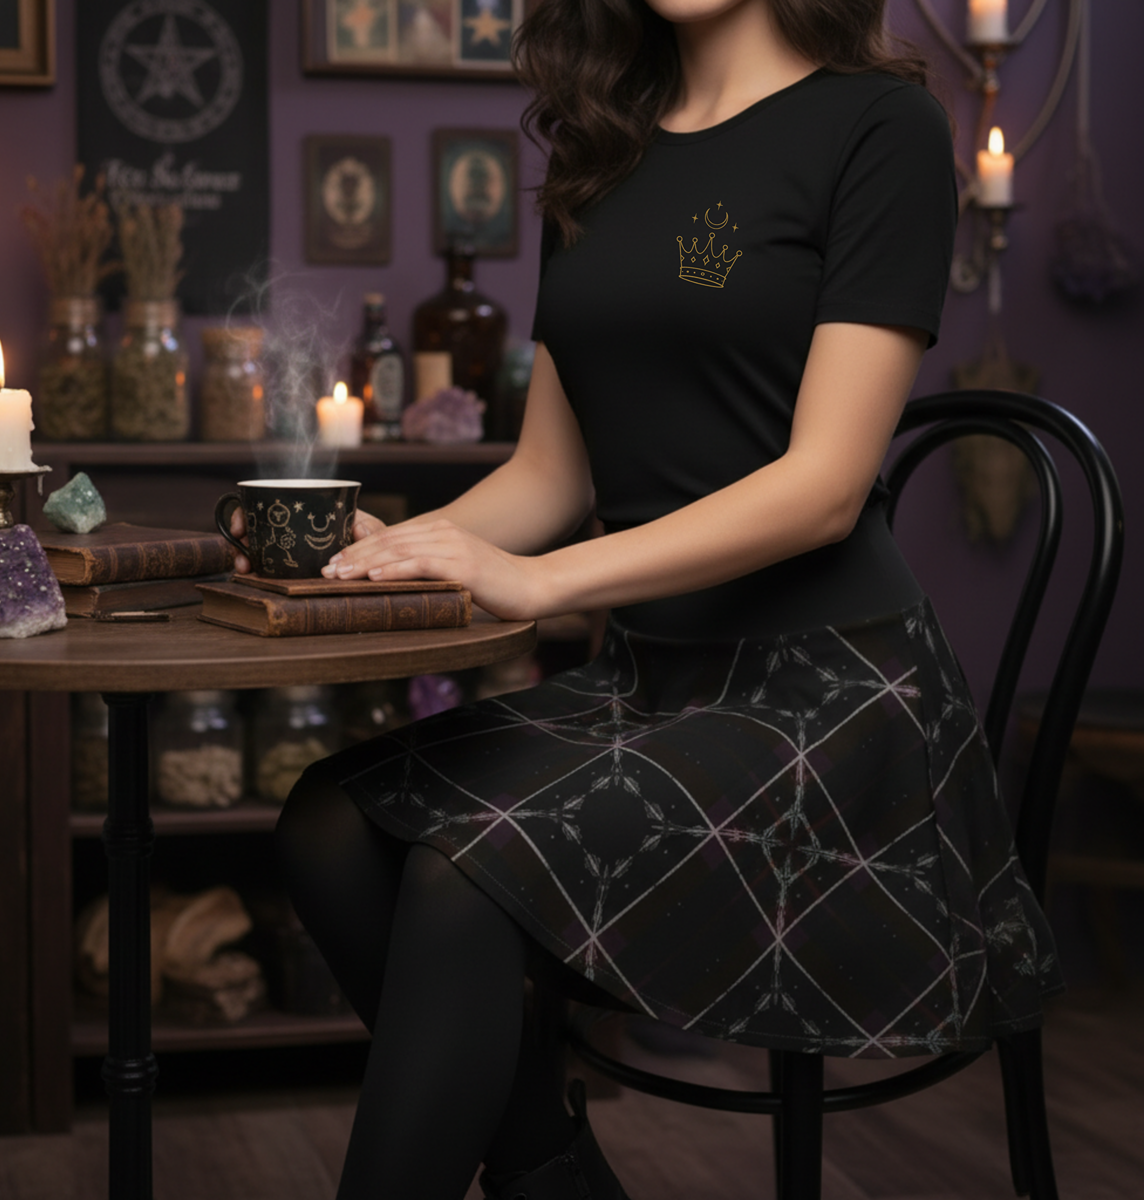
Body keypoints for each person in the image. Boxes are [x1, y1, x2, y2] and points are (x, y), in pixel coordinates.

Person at [247, 2, 1063, 1197]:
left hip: (838, 701)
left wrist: (537, 580)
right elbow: (549, 476)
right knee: (326, 823)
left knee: (461, 873)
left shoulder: (880, 127)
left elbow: (824, 489)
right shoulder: (599, 150)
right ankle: (559, 1177)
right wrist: (391, 547)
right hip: (659, 688)